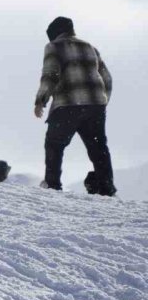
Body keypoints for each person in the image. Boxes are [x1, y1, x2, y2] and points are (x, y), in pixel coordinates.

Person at [35, 16, 115, 196]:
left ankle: (52, 185)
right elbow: (107, 77)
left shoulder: (54, 47)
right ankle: (107, 189)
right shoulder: (90, 48)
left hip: (67, 105)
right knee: (98, 148)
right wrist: (102, 100)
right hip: (95, 106)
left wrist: (41, 101)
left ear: (55, 34)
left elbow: (50, 74)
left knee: (55, 144)